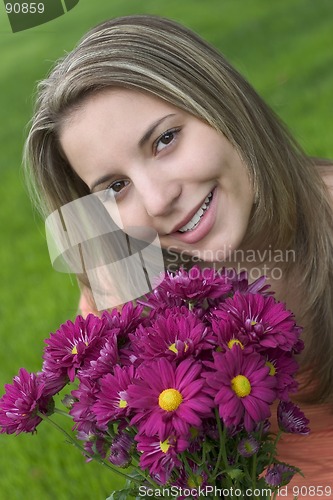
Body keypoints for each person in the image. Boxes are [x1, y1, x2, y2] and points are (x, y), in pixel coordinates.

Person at [24, 15, 333, 498]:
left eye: (165, 139)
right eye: (115, 186)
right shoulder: (125, 290)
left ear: (222, 104)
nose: (156, 201)